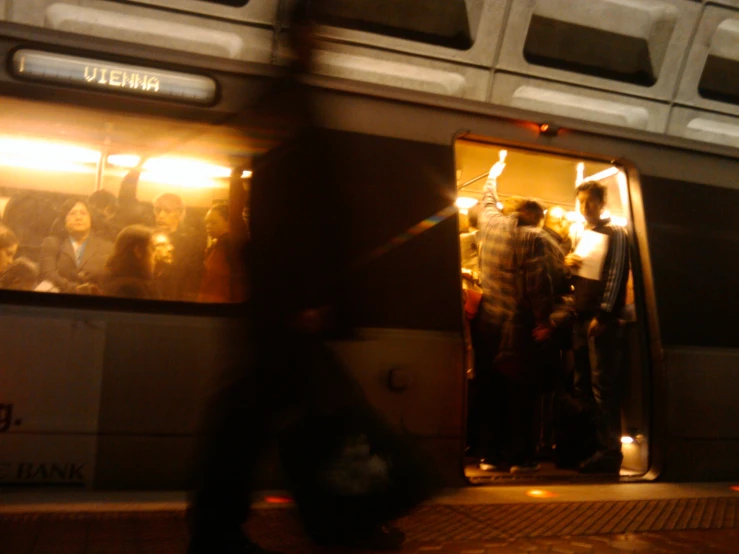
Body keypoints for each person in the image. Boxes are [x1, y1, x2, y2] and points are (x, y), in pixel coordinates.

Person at [187, 2, 435, 553]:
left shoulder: (290, 101)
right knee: (284, 420)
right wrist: (305, 297)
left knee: (279, 419)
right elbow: (291, 215)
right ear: (297, 34)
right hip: (288, 307)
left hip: (285, 304)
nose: (322, 41)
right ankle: (314, 523)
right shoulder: (291, 104)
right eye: (313, 30)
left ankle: (310, 523)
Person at [472, 161, 555, 475]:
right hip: (516, 328)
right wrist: (544, 320)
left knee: (488, 389)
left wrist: (493, 174)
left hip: (486, 322)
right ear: (536, 218)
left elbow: (488, 199)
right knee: (519, 393)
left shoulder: (491, 221)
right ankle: (519, 458)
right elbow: (538, 285)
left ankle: (489, 456)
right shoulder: (532, 237)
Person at [565, 180, 629, 474]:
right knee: (582, 383)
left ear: (603, 204)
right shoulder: (581, 232)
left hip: (598, 318)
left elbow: (616, 274)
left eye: (590, 202)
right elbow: (576, 273)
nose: (584, 208)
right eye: (581, 202)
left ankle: (609, 451)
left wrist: (603, 315)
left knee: (603, 384)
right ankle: (587, 445)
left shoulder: (615, 233)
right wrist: (569, 264)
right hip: (580, 315)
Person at [38, 199, 112, 294]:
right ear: (64, 220)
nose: (78, 218)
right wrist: (74, 289)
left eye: (83, 213)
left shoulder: (107, 247)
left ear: (91, 219)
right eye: (72, 213)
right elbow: (47, 273)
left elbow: (110, 276)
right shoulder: (52, 243)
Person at [198, 204, 245, 303]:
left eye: (213, 222)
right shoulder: (216, 247)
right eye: (207, 223)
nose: (208, 226)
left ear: (228, 222)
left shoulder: (228, 246)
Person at [100, 225, 160, 300]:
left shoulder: (105, 280)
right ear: (138, 251)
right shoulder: (134, 290)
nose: (156, 256)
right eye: (153, 249)